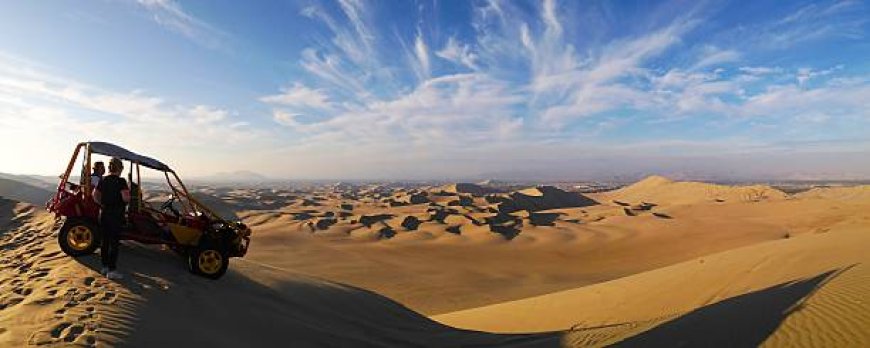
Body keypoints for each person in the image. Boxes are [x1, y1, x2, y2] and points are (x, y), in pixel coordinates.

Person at [93, 157, 130, 280]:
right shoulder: (121, 181)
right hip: (116, 214)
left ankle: (104, 267)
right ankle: (112, 270)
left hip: (104, 213)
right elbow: (125, 198)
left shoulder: (103, 180)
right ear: (120, 168)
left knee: (105, 241)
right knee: (114, 243)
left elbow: (95, 195)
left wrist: (102, 204)